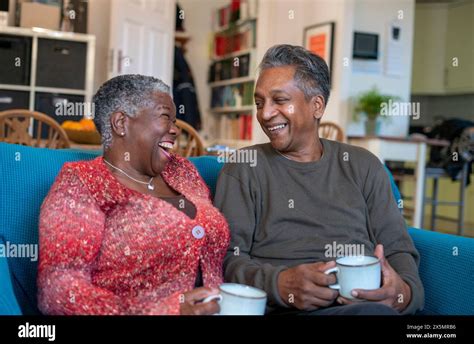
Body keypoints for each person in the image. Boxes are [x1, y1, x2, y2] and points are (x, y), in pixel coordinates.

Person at [215, 45, 424, 315]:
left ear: (317, 105)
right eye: (259, 103)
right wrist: (280, 284)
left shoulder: (364, 165)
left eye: (279, 100)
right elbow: (225, 258)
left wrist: (402, 294)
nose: (264, 114)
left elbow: (398, 249)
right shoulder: (244, 168)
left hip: (360, 307)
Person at [38, 74, 230, 315]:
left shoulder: (183, 172)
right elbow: (57, 291)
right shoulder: (82, 183)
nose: (175, 130)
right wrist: (164, 311)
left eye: (175, 121)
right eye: (164, 118)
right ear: (121, 123)